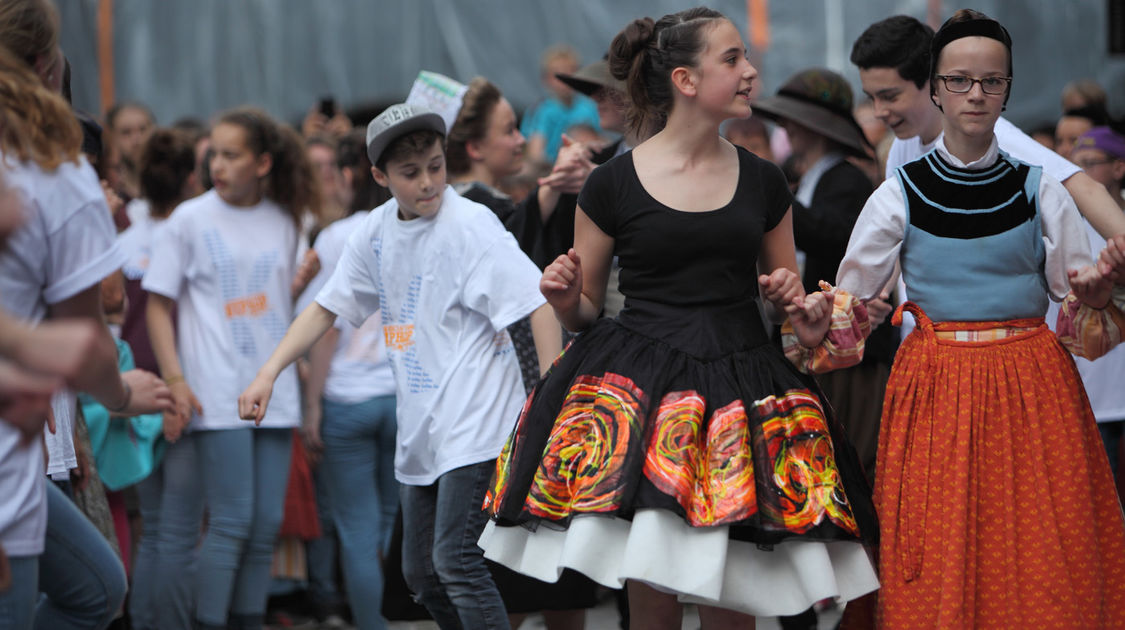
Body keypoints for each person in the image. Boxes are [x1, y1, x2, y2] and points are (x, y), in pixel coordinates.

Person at [479, 8, 879, 629]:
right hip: (640, 391)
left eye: (746, 58)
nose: (751, 72)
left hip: (742, 384)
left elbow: (787, 302)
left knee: (735, 580)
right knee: (653, 579)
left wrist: (799, 310)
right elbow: (585, 312)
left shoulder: (766, 182)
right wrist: (563, 299)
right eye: (733, 60)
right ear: (686, 81)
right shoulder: (610, 183)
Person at [801, 11, 1125, 627]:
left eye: (992, 82)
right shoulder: (896, 193)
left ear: (1006, 88)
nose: (976, 94)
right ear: (935, 87)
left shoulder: (1042, 189)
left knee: (1042, 541)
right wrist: (823, 321)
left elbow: (1085, 326)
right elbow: (856, 310)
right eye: (959, 80)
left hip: (1035, 387)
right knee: (939, 538)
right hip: (936, 387)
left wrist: (1098, 292)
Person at [238, 103, 562, 630]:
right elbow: (326, 307)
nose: (429, 183)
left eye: (436, 166)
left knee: (456, 563)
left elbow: (537, 303)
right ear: (379, 177)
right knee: (419, 577)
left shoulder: (472, 224)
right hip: (423, 428)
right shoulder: (375, 232)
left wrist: (549, 397)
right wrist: (268, 371)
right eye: (411, 174)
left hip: (478, 424)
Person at [0, 39, 173, 630]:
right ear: (46, 73)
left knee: (101, 584)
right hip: (21, 455)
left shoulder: (55, 177)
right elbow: (93, 322)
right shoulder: (61, 178)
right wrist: (120, 394)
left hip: (33, 443)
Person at [144, 107, 321, 630]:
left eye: (231, 154)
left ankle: (248, 620)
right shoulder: (189, 220)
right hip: (216, 389)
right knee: (231, 520)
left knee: (266, 523)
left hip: (275, 388)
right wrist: (176, 380)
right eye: (213, 154)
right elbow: (158, 305)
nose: (216, 164)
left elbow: (270, 304)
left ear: (263, 162)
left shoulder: (287, 219)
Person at [850, 15, 1125, 241]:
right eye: (872, 97)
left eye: (890, 96)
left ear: (930, 83)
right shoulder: (902, 148)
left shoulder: (993, 137)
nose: (879, 112)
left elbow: (1085, 188)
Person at [115, 127, 201, 630]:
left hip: (131, 390)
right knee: (178, 531)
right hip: (179, 385)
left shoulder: (122, 241)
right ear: (191, 178)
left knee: (154, 527)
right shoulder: (192, 234)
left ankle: (145, 620)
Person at [521, 45, 603, 165]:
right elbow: (535, 154)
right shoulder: (541, 110)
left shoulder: (590, 107)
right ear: (546, 79)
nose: (565, 81)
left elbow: (602, 141)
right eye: (558, 76)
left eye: (570, 72)